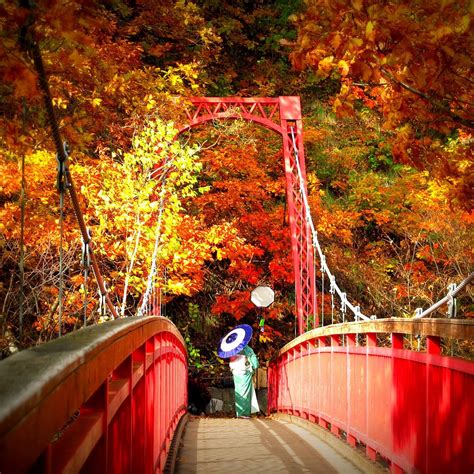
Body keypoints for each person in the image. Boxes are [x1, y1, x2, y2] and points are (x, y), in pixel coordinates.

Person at [229, 345, 260, 418]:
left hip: (235, 373)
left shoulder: (232, 348)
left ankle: (239, 413)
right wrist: (253, 367)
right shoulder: (247, 348)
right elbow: (255, 364)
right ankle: (244, 413)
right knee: (245, 392)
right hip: (244, 372)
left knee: (238, 392)